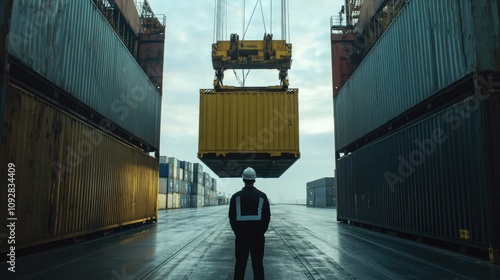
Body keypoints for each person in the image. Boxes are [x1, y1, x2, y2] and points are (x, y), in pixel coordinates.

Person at [228, 167, 271, 280]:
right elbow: (267, 218)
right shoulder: (262, 196)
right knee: (257, 265)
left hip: (241, 237)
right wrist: (260, 232)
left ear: (243, 179)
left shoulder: (235, 197)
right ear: (254, 180)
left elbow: (231, 218)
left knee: (240, 265)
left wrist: (238, 233)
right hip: (257, 237)